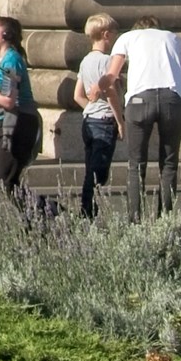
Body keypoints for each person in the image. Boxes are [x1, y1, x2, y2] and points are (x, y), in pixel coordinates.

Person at [106, 12, 181, 221]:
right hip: (173, 98)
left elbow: (112, 74)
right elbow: (176, 67)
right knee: (169, 163)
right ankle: (165, 220)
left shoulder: (127, 38)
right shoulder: (173, 38)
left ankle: (135, 220)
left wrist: (97, 87)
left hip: (139, 99)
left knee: (136, 164)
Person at [0, 15, 34, 204]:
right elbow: (5, 95)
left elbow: (10, 101)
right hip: (2, 123)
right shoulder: (1, 60)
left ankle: (51, 217)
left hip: (19, 124)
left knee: (7, 181)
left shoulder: (11, 60)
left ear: (4, 35)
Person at [72, 12, 122, 219]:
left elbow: (78, 95)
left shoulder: (85, 61)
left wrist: (89, 108)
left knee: (90, 168)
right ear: (106, 35)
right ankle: (87, 213)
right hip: (104, 121)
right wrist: (120, 120)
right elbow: (111, 92)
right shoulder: (108, 61)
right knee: (99, 173)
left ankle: (87, 211)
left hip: (89, 121)